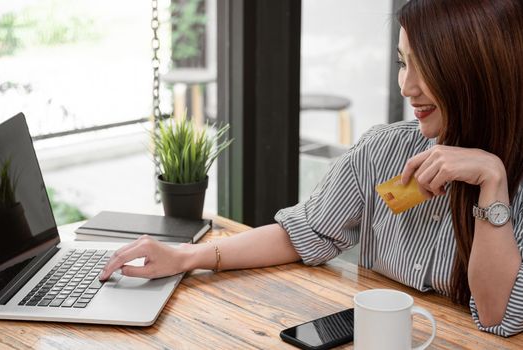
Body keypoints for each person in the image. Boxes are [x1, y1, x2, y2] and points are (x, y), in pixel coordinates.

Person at [100, 0, 523, 337]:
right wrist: (185, 256)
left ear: (475, 72)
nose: (407, 86)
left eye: (425, 66)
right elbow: (306, 230)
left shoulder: (508, 182)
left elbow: (495, 317)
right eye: (401, 62)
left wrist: (492, 180)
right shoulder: (384, 150)